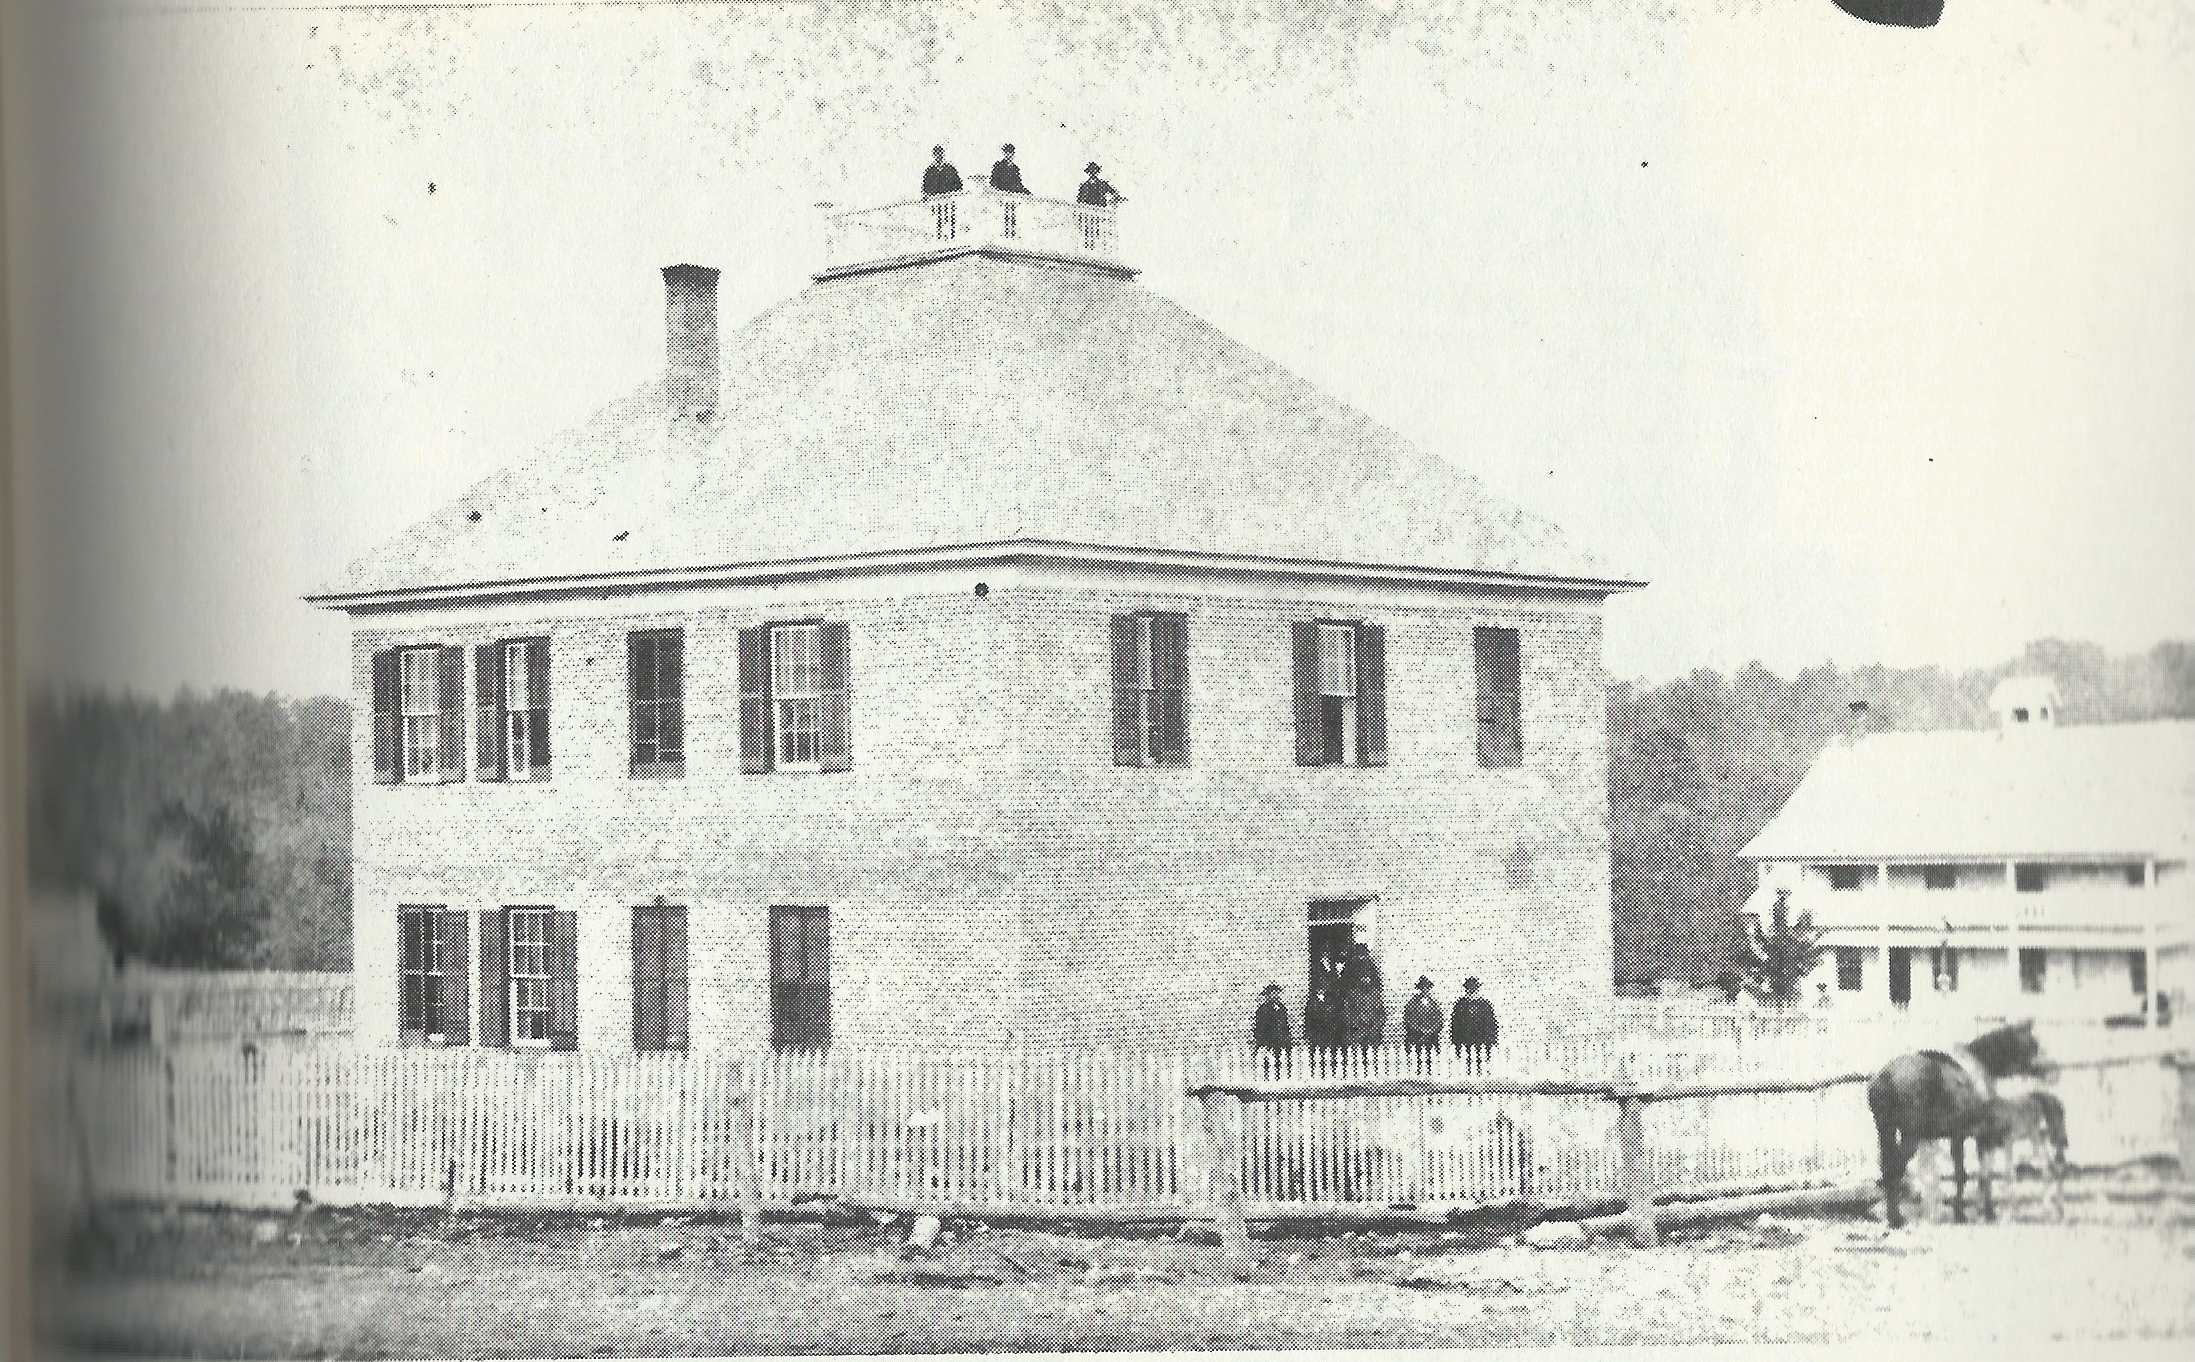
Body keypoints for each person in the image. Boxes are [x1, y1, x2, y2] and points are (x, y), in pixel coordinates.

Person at [1339, 942, 1387, 1056]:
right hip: (1356, 1029)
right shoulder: (1350, 968)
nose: (1362, 957)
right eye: (1360, 954)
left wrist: (1373, 1026)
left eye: (1364, 954)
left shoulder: (1374, 994)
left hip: (1371, 1029)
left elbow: (1381, 1013)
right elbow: (1347, 1011)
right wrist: (1356, 1025)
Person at [1451, 976, 1499, 1072]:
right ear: (1466, 989)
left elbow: (1491, 1023)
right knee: (1466, 1061)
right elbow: (1455, 1023)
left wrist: (1491, 1038)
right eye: (1469, 988)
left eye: (1474, 988)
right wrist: (1455, 1039)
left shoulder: (1484, 1005)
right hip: (1465, 1038)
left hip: (1481, 1038)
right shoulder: (1460, 1004)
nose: (1471, 991)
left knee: (1480, 1062)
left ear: (1477, 989)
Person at [1402, 975, 1442, 1072]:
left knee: (1430, 1056)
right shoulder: (1412, 1003)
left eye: (1427, 988)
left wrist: (1431, 1030)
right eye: (1423, 988)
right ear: (1419, 989)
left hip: (1431, 1035)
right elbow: (1408, 1020)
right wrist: (1419, 1029)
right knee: (1416, 1057)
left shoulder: (1434, 1004)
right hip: (1416, 1035)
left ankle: (1430, 1072)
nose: (1425, 990)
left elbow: (1439, 1020)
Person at [1304, 979, 1344, 1053]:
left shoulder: (1331, 1000)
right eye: (1319, 988)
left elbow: (1335, 1015)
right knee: (1316, 1051)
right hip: (1316, 1031)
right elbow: (1308, 1018)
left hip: (1328, 1030)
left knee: (1330, 1050)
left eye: (1323, 988)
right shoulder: (1312, 1002)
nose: (1321, 990)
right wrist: (1308, 1032)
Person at [1252, 982, 1293, 1055]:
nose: (1275, 996)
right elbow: (1260, 1025)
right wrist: (1260, 1039)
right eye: (1272, 993)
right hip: (1268, 1040)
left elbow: (1285, 1023)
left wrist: (1287, 1036)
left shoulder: (1282, 1008)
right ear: (1268, 995)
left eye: (1277, 993)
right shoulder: (1263, 1009)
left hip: (1280, 1039)